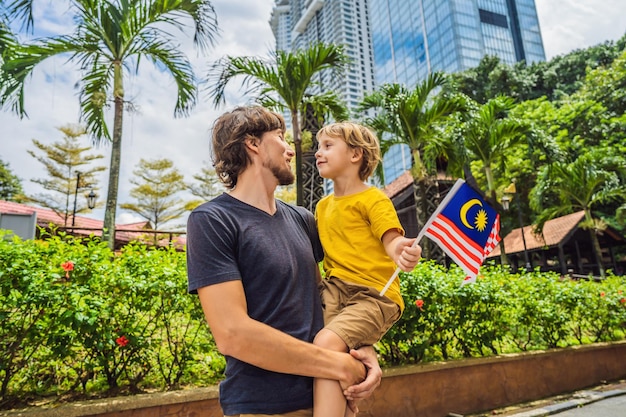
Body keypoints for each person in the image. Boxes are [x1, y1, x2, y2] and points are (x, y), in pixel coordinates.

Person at [186, 106, 382, 417]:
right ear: (253, 144)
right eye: (280, 138)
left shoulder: (304, 219)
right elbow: (232, 334)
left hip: (326, 399)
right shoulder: (213, 220)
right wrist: (339, 364)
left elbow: (329, 301)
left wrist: (362, 347)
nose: (291, 150)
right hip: (263, 407)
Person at [313, 122, 422, 417]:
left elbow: (391, 238)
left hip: (373, 296)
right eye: (318, 147)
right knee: (330, 355)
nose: (317, 153)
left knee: (324, 344)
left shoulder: (373, 198)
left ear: (355, 155)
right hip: (334, 291)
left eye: (327, 146)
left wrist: (400, 249)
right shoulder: (322, 208)